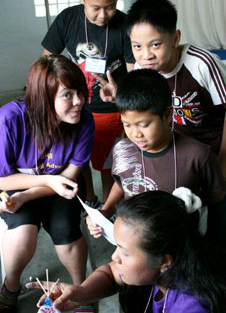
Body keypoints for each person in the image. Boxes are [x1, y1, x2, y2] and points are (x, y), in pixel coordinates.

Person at [0, 54, 95, 313]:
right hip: (12, 182)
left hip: (61, 183)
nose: (78, 101)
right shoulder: (7, 121)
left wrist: (32, 193)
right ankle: (11, 286)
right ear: (44, 97)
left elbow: (69, 175)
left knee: (66, 230)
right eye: (67, 95)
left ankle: (80, 290)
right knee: (24, 233)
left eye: (80, 91)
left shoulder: (83, 121)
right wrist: (30, 191)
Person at [87, 69, 225, 245]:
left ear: (168, 114)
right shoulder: (122, 149)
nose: (135, 134)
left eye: (144, 125)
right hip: (134, 243)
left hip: (180, 244)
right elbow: (122, 182)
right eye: (127, 124)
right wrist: (105, 211)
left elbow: (217, 193)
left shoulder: (197, 154)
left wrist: (191, 203)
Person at [28, 191, 226, 313]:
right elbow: (111, 274)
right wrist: (82, 293)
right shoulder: (168, 267)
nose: (114, 257)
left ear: (164, 261)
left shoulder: (192, 307)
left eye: (125, 252)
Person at [98, 0, 226, 178]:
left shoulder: (202, 64)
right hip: (172, 151)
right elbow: (142, 109)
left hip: (209, 151)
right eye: (137, 46)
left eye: (155, 45)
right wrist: (120, 94)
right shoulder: (142, 67)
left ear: (175, 38)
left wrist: (223, 161)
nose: (146, 55)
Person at [41, 0, 135, 204]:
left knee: (107, 164)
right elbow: (46, 61)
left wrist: (121, 92)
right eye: (95, 8)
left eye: (110, 7)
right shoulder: (68, 19)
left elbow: (135, 74)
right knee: (78, 157)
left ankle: (107, 205)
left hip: (110, 109)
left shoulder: (125, 25)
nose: (102, 15)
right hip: (75, 107)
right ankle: (88, 197)